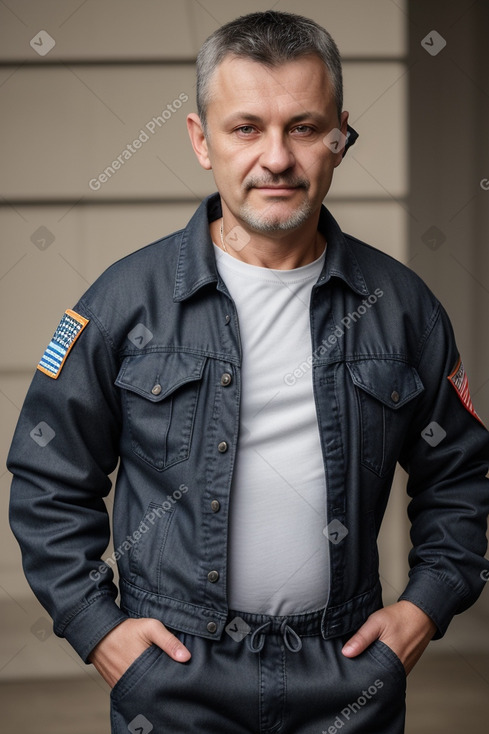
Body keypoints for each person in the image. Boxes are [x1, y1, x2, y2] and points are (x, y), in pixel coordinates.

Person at [8, 10, 489, 734]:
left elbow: (459, 477)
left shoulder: (401, 310)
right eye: (245, 128)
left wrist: (425, 606)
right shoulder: (122, 302)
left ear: (338, 137)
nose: (276, 158)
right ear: (201, 141)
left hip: (347, 673)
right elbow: (49, 476)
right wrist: (96, 627)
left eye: (302, 127)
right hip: (174, 675)